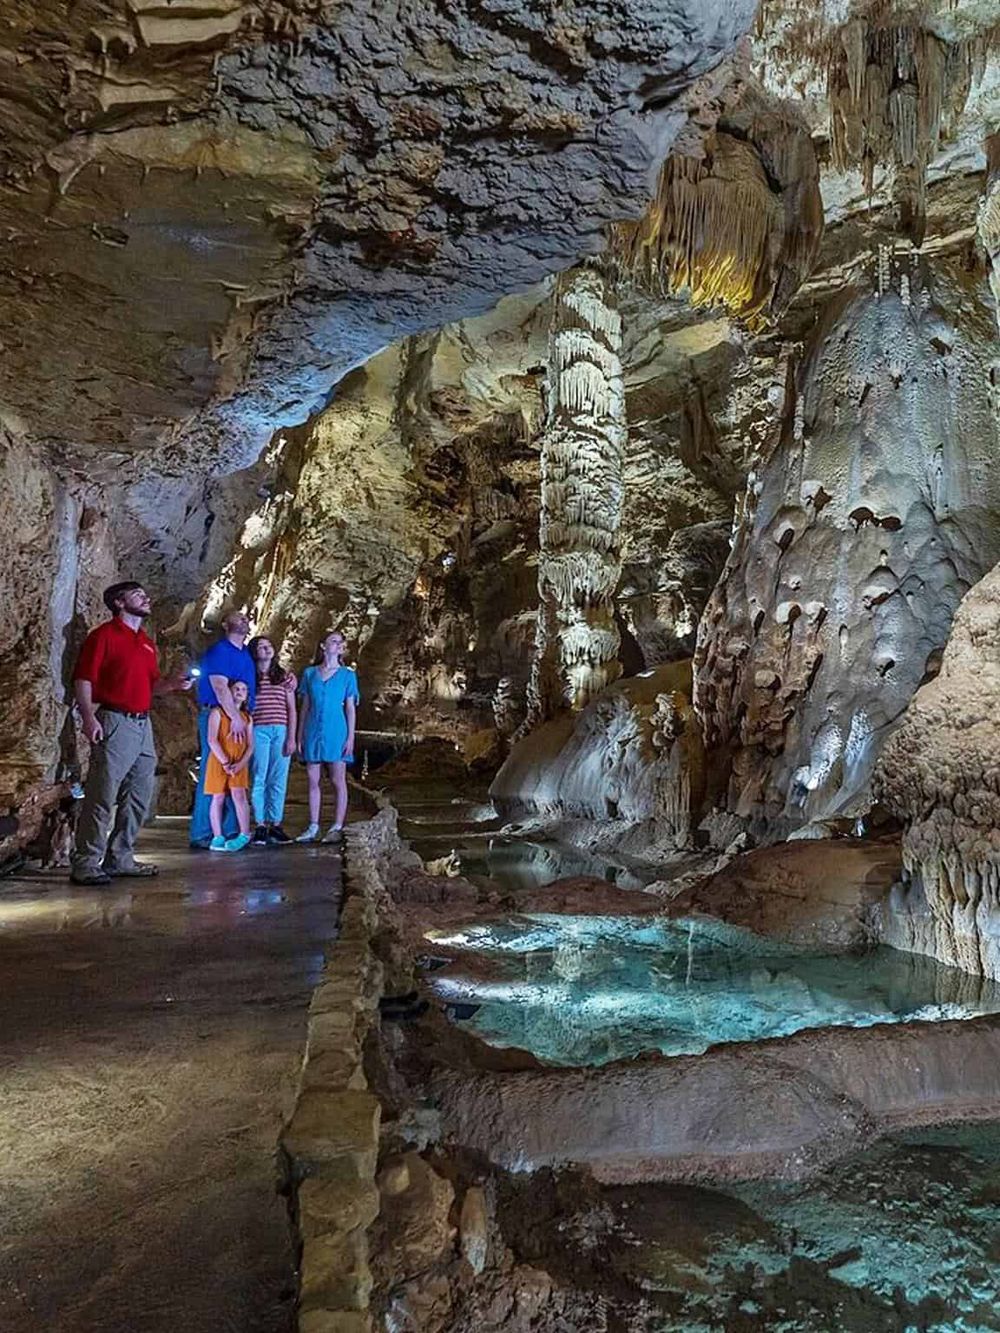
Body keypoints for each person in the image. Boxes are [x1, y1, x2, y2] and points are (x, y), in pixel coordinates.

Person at [71, 580, 192, 886]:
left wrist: (174, 685)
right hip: (114, 720)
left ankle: (120, 857)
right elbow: (84, 678)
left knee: (139, 794)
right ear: (119, 602)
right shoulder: (104, 636)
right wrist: (88, 717)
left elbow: (152, 687)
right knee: (103, 792)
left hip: (142, 724)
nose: (146, 597)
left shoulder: (146, 643)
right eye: (138, 594)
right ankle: (86, 861)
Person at [190, 610, 256, 849]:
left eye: (246, 618)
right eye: (238, 618)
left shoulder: (245, 654)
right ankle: (203, 833)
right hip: (221, 716)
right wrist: (235, 716)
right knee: (214, 775)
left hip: (239, 715)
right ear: (226, 625)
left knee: (234, 775)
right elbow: (219, 687)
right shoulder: (220, 651)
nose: (244, 621)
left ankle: (230, 831)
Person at [295, 631, 359, 843]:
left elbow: (350, 708)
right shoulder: (310, 674)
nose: (339, 644)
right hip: (313, 729)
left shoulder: (348, 676)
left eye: (341, 642)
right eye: (334, 641)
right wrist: (299, 735)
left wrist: (350, 737)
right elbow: (304, 707)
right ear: (323, 646)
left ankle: (337, 825)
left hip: (336, 730)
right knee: (313, 780)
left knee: (337, 779)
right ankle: (313, 826)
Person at [247, 635, 297, 844]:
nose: (266, 650)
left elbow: (291, 708)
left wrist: (292, 738)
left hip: (281, 729)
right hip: (258, 729)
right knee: (259, 776)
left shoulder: (283, 677)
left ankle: (275, 823)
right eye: (261, 647)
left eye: (269, 646)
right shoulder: (249, 676)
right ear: (254, 652)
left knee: (278, 778)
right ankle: (259, 824)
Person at [204, 680, 254, 852]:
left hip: (238, 761)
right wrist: (225, 762)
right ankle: (218, 835)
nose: (240, 692)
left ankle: (244, 833)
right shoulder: (217, 713)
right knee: (217, 797)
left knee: (239, 795)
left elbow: (250, 745)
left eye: (243, 689)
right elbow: (212, 739)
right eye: (236, 689)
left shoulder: (247, 718)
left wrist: (240, 763)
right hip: (219, 760)